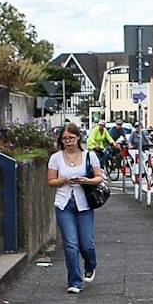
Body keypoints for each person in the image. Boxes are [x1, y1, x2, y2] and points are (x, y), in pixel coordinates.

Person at [47, 121, 104, 294]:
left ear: (78, 137)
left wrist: (86, 181)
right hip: (64, 204)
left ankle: (90, 264)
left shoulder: (89, 156)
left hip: (84, 204)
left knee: (86, 244)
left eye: (71, 138)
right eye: (65, 139)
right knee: (70, 244)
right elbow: (51, 181)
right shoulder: (56, 158)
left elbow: (99, 177)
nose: (68, 142)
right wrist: (63, 180)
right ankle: (74, 282)